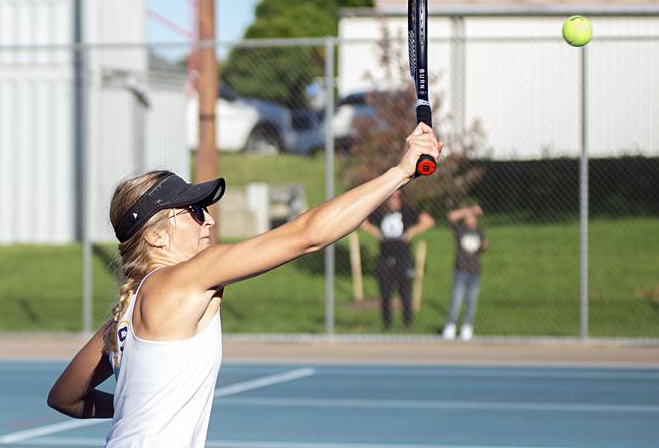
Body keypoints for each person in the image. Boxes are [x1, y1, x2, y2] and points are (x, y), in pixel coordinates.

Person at [47, 123, 441, 447]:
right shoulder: (187, 278)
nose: (209, 221)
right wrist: (400, 173)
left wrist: (135, 408)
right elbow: (307, 235)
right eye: (194, 212)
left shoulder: (128, 310)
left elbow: (65, 396)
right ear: (156, 237)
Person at [360, 190, 434, 331]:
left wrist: (411, 232)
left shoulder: (407, 211)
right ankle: (387, 325)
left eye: (396, 197)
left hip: (403, 258)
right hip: (385, 258)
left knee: (405, 293)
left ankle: (407, 324)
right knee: (385, 293)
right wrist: (376, 232)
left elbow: (429, 221)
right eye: (390, 197)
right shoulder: (380, 212)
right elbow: (361, 221)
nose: (392, 200)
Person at [442, 203, 487, 341]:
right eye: (468, 218)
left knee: (471, 301)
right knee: (457, 299)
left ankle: (467, 326)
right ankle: (451, 325)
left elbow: (484, 246)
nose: (470, 219)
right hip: (461, 270)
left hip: (475, 271)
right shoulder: (460, 229)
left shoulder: (479, 231)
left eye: (472, 217)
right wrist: (468, 210)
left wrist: (484, 245)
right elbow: (450, 216)